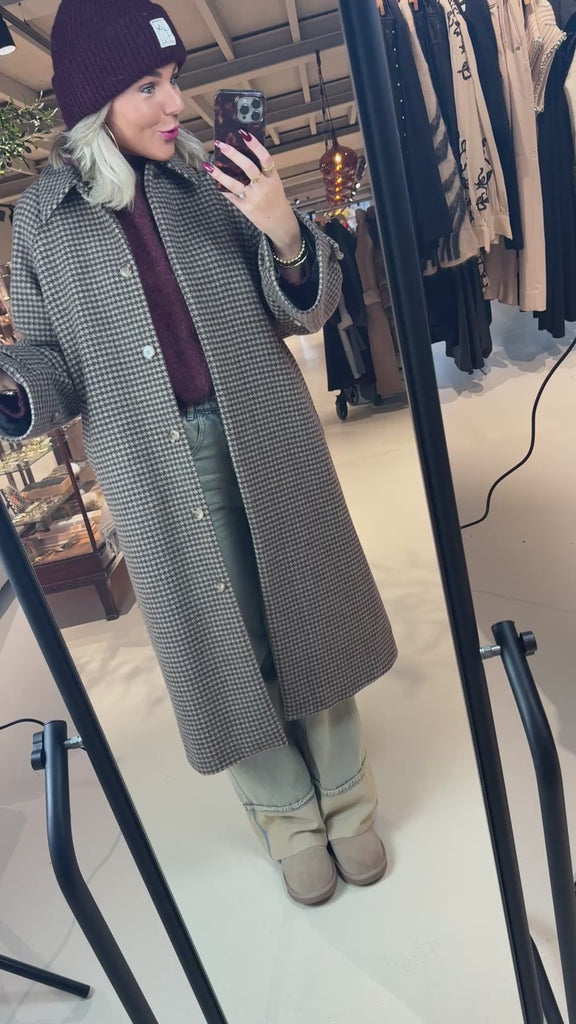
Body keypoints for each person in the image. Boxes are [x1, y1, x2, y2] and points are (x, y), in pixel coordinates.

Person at [0, 0, 397, 906]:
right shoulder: (44, 222)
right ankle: (287, 815)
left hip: (263, 428)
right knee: (221, 640)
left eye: (174, 78)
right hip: (150, 460)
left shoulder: (209, 178)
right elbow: (51, 363)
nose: (176, 101)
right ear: (97, 96)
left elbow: (304, 308)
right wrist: (13, 385)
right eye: (150, 84)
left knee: (306, 603)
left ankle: (345, 795)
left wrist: (283, 227)